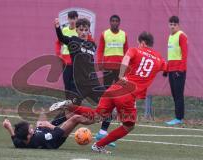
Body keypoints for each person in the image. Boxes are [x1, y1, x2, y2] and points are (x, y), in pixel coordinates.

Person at [50, 31, 167, 154]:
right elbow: (166, 67)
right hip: (127, 95)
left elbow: (126, 58)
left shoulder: (135, 50)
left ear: (142, 43)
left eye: (138, 43)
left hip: (114, 89)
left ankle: (68, 105)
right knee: (129, 126)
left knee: (97, 115)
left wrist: (121, 76)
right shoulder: (159, 58)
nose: (138, 45)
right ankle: (99, 145)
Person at [54, 17, 115, 147]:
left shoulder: (92, 44)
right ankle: (49, 127)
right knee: (69, 112)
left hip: (93, 84)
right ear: (76, 30)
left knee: (110, 104)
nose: (83, 32)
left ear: (89, 31)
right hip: (79, 85)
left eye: (86, 30)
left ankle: (102, 132)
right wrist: (57, 27)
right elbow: (61, 38)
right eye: (80, 29)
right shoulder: (73, 41)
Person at [95, 15, 128, 143]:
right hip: (108, 68)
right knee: (108, 96)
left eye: (116, 21)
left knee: (119, 96)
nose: (114, 23)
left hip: (120, 70)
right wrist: (100, 62)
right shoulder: (105, 34)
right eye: (112, 21)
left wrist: (127, 67)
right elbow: (100, 50)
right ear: (110, 22)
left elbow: (126, 52)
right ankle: (103, 129)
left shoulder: (124, 34)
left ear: (119, 22)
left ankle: (105, 129)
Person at [3, 113, 93, 149]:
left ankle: (65, 115)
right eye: (30, 129)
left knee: (41, 121)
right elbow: (59, 133)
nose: (32, 127)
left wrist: (9, 128)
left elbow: (15, 139)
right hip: (56, 139)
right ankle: (98, 118)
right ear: (28, 136)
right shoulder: (40, 138)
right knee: (75, 118)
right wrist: (48, 125)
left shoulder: (20, 141)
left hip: (47, 134)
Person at [165, 16, 188, 125]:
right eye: (171, 24)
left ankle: (179, 118)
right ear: (168, 25)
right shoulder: (170, 36)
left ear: (178, 25)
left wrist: (181, 70)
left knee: (178, 94)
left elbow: (184, 54)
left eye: (175, 24)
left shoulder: (181, 36)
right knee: (174, 94)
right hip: (171, 70)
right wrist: (166, 69)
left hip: (179, 71)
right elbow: (171, 55)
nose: (173, 26)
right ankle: (177, 117)